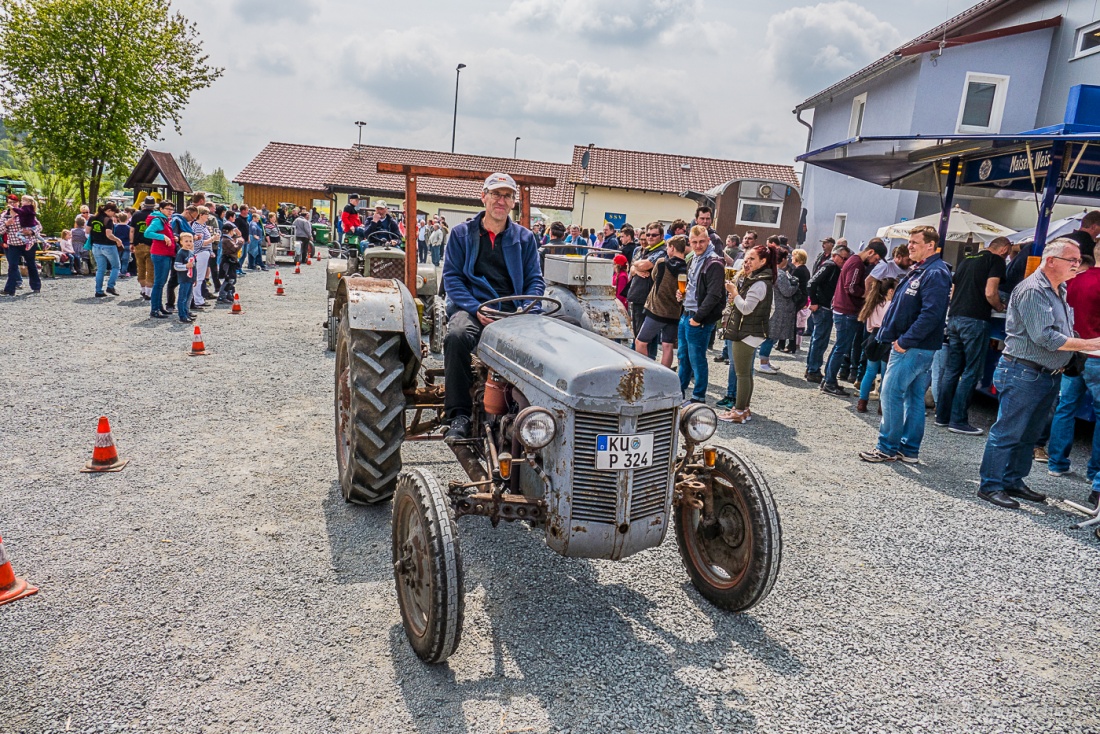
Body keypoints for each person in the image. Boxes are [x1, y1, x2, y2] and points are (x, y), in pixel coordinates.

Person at [974, 238, 1100, 508]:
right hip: (1024, 371)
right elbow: (1046, 337)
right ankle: (991, 485)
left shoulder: (1059, 288)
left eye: (1079, 260)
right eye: (1073, 260)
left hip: (1046, 373)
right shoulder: (1033, 289)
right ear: (1051, 261)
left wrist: (1077, 344)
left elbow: (1062, 330)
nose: (1078, 265)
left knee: (1029, 434)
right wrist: (1090, 344)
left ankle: (1013, 480)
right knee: (1008, 432)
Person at [441, 173, 544, 441]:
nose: (501, 200)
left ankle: (539, 417)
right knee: (457, 336)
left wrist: (527, 309)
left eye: (507, 195)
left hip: (514, 309)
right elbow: (452, 278)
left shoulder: (525, 238)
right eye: (496, 194)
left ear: (513, 203)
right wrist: (475, 308)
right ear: (483, 197)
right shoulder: (461, 234)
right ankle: (459, 415)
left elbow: (535, 279)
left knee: (559, 334)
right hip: (474, 306)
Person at [858, 225, 952, 464]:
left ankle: (887, 447)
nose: (909, 246)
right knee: (913, 397)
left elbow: (931, 314)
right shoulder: (922, 270)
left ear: (930, 245)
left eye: (915, 242)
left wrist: (904, 341)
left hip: (913, 347)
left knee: (890, 393)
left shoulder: (935, 272)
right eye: (909, 242)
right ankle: (908, 450)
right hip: (914, 346)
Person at [934, 237, 1010, 435]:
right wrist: (999, 306)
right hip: (976, 319)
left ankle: (942, 416)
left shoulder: (967, 259)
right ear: (1004, 249)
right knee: (971, 371)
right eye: (1008, 252)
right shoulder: (996, 261)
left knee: (952, 369)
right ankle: (958, 420)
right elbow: (990, 291)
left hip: (955, 317)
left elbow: (953, 291)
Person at [1046, 252, 1100, 512]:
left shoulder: (1073, 280)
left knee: (1065, 406)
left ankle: (1057, 462)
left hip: (1073, 352)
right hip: (1096, 354)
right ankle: (1095, 473)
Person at [716, 244, 776, 423]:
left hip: (747, 332)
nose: (746, 262)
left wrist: (734, 294)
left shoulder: (759, 283)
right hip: (750, 331)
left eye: (752, 259)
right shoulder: (760, 279)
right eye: (746, 258)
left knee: (742, 374)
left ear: (763, 262)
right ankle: (744, 408)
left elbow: (747, 309)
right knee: (746, 374)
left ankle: (739, 411)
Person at [821, 240, 886, 395]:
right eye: (876, 259)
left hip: (843, 309)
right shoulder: (857, 263)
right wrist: (866, 294)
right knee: (841, 347)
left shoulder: (853, 260)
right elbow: (850, 287)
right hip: (846, 310)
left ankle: (828, 379)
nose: (875, 263)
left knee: (839, 346)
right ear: (870, 252)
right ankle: (829, 382)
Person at [677, 225, 726, 404]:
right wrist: (681, 295)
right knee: (683, 357)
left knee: (697, 360)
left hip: (699, 317)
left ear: (709, 240)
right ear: (689, 242)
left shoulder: (714, 262)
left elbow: (714, 295)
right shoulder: (694, 258)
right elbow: (692, 286)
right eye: (695, 242)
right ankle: (679, 393)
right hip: (686, 313)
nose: (698, 245)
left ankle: (698, 397)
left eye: (702, 242)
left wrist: (697, 319)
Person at [634, 234, 687, 369]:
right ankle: (665, 374)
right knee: (667, 346)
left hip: (657, 309)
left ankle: (645, 371)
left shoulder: (662, 262)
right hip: (674, 311)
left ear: (672, 248)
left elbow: (653, 277)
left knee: (640, 342)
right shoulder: (687, 267)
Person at [804, 244, 851, 382]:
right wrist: (813, 301)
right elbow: (811, 283)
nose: (844, 262)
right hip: (823, 308)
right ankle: (813, 370)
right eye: (843, 258)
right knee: (820, 340)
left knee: (818, 339)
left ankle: (811, 368)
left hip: (824, 307)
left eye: (846, 259)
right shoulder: (830, 266)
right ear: (834, 255)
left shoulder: (833, 267)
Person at [856, 277, 897, 413]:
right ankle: (882, 406)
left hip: (873, 336)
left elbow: (868, 327)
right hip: (887, 339)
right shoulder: (892, 305)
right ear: (891, 291)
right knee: (886, 374)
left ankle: (862, 402)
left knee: (870, 372)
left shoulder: (873, 303)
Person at [756, 244, 798, 375]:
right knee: (770, 337)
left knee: (770, 336)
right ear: (782, 259)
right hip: (778, 309)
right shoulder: (779, 274)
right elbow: (786, 291)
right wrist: (795, 285)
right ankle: (763, 363)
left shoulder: (771, 271)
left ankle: (766, 361)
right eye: (787, 257)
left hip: (773, 308)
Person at [626, 222, 666, 356]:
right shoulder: (642, 250)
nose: (650, 237)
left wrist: (636, 266)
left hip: (649, 298)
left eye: (654, 235)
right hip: (638, 295)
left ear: (661, 236)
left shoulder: (662, 251)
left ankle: (647, 366)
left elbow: (645, 265)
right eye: (648, 234)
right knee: (637, 334)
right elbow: (631, 268)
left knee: (646, 338)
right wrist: (636, 270)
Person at [144, 200, 176, 318]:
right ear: (161, 209)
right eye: (168, 209)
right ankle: (155, 309)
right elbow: (147, 233)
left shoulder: (164, 220)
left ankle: (159, 306)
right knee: (159, 283)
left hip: (165, 253)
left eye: (172, 209)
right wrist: (162, 236)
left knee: (161, 282)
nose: (170, 211)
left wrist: (172, 238)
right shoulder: (158, 220)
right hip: (160, 254)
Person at [1, 205, 41, 296]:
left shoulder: (26, 214)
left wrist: (31, 232)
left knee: (31, 264)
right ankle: (9, 290)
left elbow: (39, 227)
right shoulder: (4, 217)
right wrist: (7, 224)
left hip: (28, 243)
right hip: (13, 245)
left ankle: (36, 287)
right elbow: (0, 230)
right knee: (12, 266)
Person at [88, 203, 124, 298]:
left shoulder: (92, 218)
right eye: (113, 212)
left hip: (95, 245)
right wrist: (118, 240)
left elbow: (87, 231)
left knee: (100, 269)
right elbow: (109, 235)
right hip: (108, 246)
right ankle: (110, 286)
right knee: (116, 266)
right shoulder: (108, 220)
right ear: (108, 211)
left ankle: (98, 290)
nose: (114, 214)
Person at [190, 207, 217, 308]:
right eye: (206, 214)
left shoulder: (203, 226)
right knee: (199, 278)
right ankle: (197, 300)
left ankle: (198, 298)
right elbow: (197, 243)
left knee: (200, 278)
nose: (208, 216)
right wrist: (212, 239)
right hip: (200, 254)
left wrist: (210, 251)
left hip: (204, 253)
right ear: (200, 215)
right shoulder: (197, 227)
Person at [787, 248, 811, 353]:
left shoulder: (798, 270)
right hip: (803, 297)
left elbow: (792, 283)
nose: (791, 258)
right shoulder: (805, 269)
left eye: (793, 256)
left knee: (793, 322)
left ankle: (791, 345)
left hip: (797, 297)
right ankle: (793, 344)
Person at [173, 232, 196, 323]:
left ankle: (186, 312)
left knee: (188, 297)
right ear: (181, 242)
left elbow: (194, 266)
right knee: (182, 297)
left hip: (190, 279)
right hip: (184, 279)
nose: (189, 243)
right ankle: (182, 315)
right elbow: (176, 266)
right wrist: (185, 266)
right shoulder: (181, 253)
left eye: (190, 241)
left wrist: (195, 278)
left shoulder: (191, 252)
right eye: (186, 241)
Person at [217, 222, 241, 303]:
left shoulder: (227, 239)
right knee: (229, 279)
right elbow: (234, 249)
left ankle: (228, 294)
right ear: (230, 231)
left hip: (231, 260)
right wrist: (240, 242)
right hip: (228, 261)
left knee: (232, 279)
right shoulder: (226, 239)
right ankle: (222, 296)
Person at [113, 211, 131, 279]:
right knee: (125, 260)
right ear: (127, 219)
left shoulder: (115, 227)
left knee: (118, 258)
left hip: (118, 245)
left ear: (118, 219)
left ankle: (117, 271)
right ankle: (123, 272)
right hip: (127, 244)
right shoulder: (129, 228)